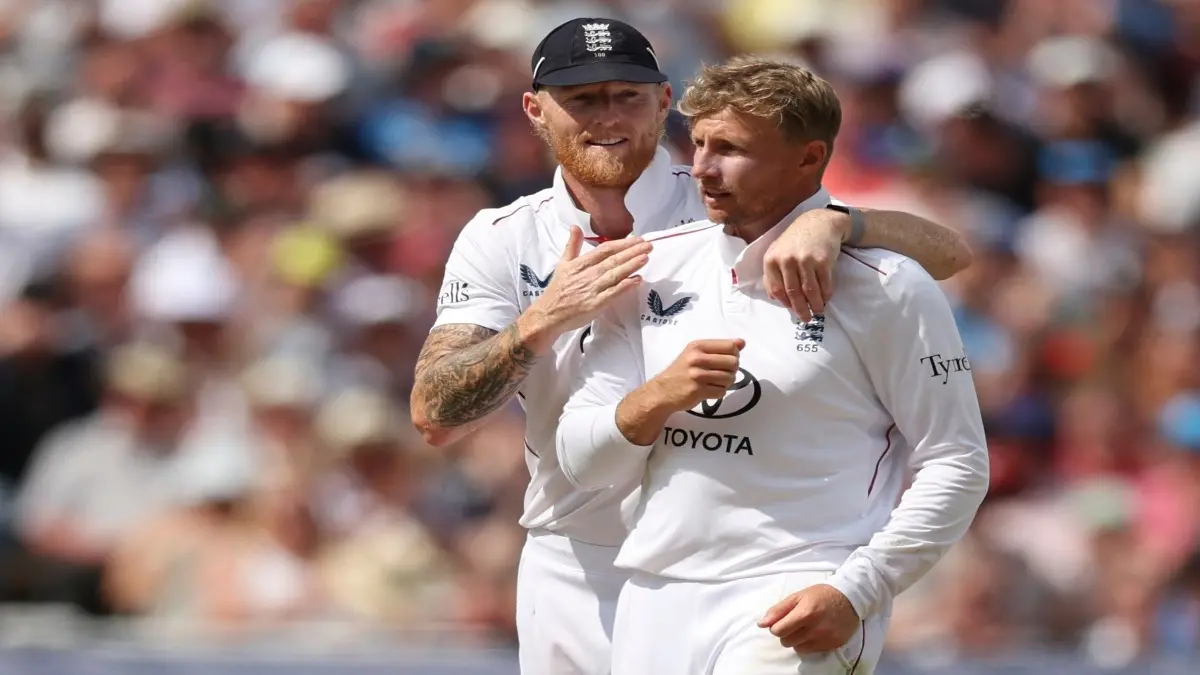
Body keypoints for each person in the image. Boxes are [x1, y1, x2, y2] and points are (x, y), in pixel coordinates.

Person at [411, 19, 973, 675]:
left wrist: (839, 221)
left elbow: (946, 254)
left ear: (663, 100)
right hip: (573, 553)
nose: (608, 117)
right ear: (536, 110)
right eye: (583, 99)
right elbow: (435, 416)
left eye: (627, 95)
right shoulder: (504, 236)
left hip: (749, 557)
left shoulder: (722, 197)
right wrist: (543, 320)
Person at [556, 56, 989, 675]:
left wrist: (859, 590)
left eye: (730, 149)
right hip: (655, 596)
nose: (702, 167)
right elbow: (580, 462)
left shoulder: (888, 286)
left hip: (799, 591)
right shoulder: (650, 267)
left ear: (809, 158)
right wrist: (657, 397)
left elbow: (958, 462)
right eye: (699, 143)